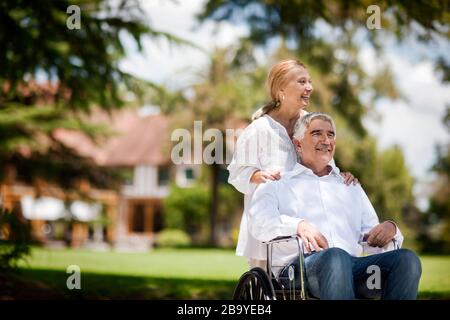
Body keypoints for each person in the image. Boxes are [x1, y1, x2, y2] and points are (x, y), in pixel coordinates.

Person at [248, 112, 422, 299]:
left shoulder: (350, 186)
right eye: (316, 133)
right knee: (336, 257)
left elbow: (371, 237)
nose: (325, 140)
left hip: (355, 267)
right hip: (299, 269)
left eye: (330, 135)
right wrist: (298, 225)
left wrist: (390, 229)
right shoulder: (277, 183)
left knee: (407, 259)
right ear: (298, 144)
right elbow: (259, 222)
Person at [227, 59, 357, 270]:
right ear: (281, 90)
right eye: (302, 81)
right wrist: (258, 175)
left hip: (311, 222)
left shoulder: (311, 124)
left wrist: (341, 176)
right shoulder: (259, 129)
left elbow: (324, 163)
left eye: (310, 81)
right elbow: (236, 174)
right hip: (270, 222)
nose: (310, 87)